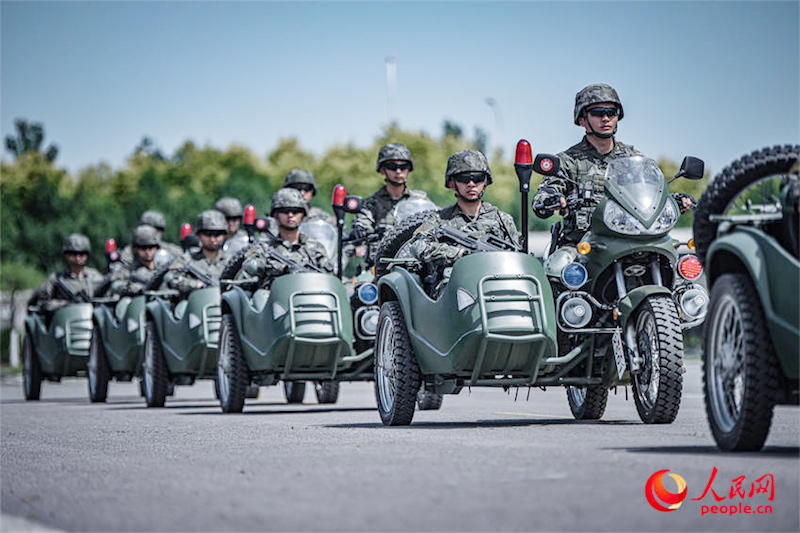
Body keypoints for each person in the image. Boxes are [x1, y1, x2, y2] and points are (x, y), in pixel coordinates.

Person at [532, 83, 696, 245]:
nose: (605, 118)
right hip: (583, 248)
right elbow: (544, 194)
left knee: (675, 260)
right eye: (597, 113)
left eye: (611, 112)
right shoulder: (568, 161)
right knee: (560, 266)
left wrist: (673, 200)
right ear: (582, 120)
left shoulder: (634, 160)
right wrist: (550, 199)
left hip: (630, 242)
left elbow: (652, 195)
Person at [409, 150, 520, 295]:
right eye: (464, 178)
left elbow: (517, 257)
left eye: (478, 178)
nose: (471, 184)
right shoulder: (439, 219)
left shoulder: (503, 220)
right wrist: (459, 253)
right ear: (452, 184)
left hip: (495, 282)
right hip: (454, 286)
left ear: (485, 182)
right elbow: (417, 245)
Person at [350, 143, 428, 260]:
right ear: (382, 170)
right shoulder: (371, 204)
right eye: (392, 166)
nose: (398, 171)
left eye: (403, 166)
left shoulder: (419, 201)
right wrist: (362, 230)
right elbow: (362, 223)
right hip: (380, 264)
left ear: (409, 169)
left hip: (415, 261)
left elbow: (436, 219)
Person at [242, 188, 333, 287]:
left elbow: (329, 277)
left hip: (309, 296)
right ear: (275, 215)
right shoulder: (264, 249)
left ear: (303, 215)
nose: (290, 215)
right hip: (275, 298)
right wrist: (279, 268)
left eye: (295, 211)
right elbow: (250, 265)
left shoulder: (315, 248)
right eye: (285, 211)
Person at [28, 234, 105, 312]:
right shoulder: (56, 279)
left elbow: (106, 301)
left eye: (82, 254)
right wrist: (65, 304)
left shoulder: (96, 277)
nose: (78, 258)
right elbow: (43, 302)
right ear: (66, 255)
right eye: (73, 254)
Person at [163, 210, 229, 295]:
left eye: (217, 234)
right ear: (198, 235)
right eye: (207, 234)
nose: (212, 239)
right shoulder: (187, 259)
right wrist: (195, 285)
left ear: (224, 235)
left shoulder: (230, 261)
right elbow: (170, 278)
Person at [107, 225, 160, 297]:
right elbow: (115, 284)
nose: (148, 251)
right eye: (143, 248)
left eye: (151, 247)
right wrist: (131, 288)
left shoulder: (162, 265)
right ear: (135, 248)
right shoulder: (128, 267)